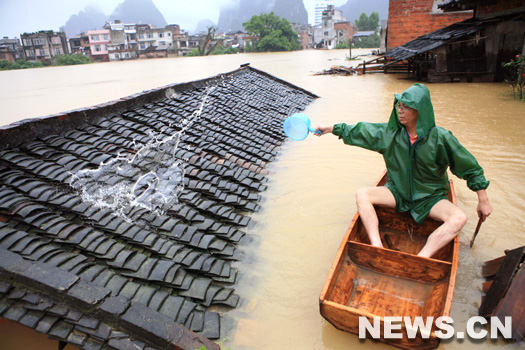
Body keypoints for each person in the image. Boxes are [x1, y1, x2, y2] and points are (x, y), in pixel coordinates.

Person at [314, 83, 493, 258]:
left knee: (459, 218)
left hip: (431, 198)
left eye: (406, 107)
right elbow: (360, 131)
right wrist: (331, 129)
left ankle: (422, 257)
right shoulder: (390, 134)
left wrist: (483, 200)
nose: (400, 110)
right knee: (362, 194)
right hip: (397, 192)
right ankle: (377, 246)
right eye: (399, 106)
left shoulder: (441, 138)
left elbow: (470, 168)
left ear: (420, 111)